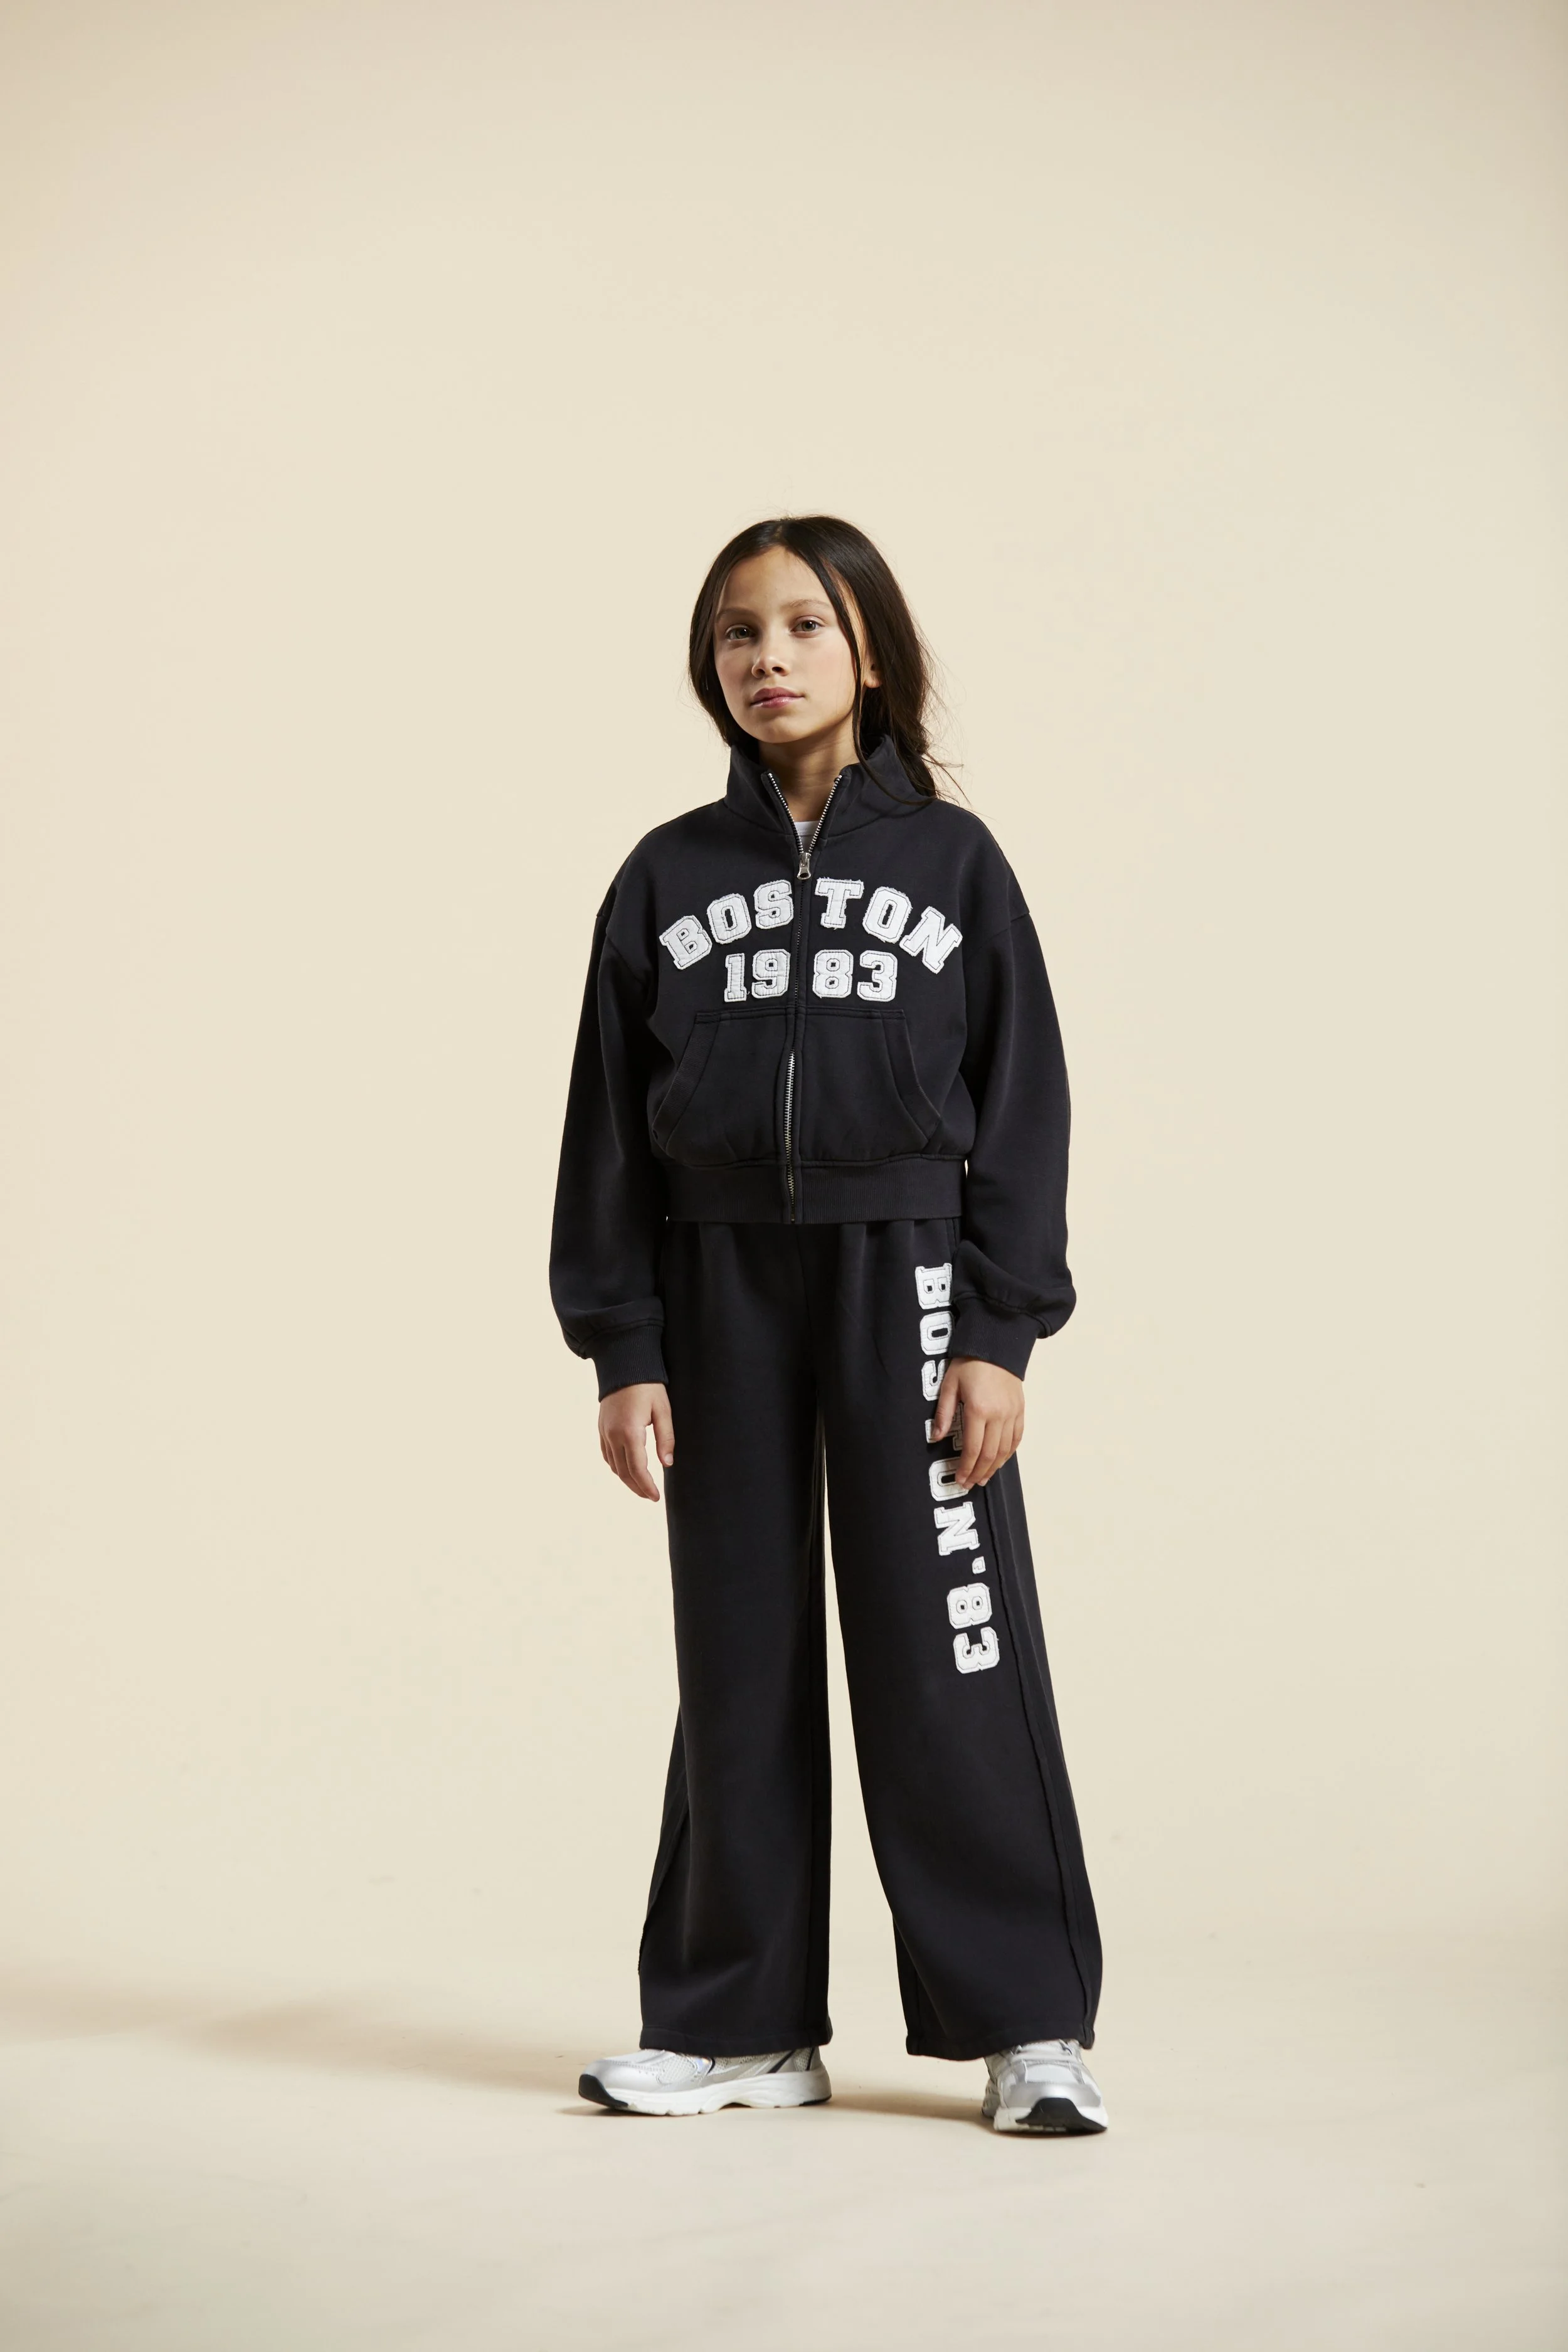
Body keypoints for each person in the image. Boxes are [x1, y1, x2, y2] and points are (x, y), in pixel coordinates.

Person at [548, 516, 1106, 2134]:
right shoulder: (666, 874)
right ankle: (743, 2033)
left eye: (804, 623)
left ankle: (1026, 2028)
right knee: (739, 1661)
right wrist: (625, 1344)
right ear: (709, 666)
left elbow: (1029, 1112)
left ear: (870, 651)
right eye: (737, 632)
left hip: (909, 1281)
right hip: (720, 1290)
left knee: (947, 1652)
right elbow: (604, 1130)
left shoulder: (956, 862)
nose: (767, 656)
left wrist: (1000, 1329)